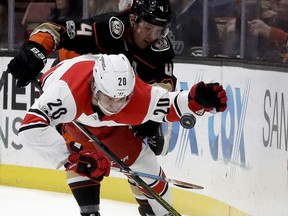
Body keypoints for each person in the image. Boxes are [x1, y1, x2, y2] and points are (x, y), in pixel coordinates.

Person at [6, 0, 178, 215]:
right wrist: (36, 48)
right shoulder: (109, 28)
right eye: (148, 27)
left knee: (135, 152)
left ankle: (148, 208)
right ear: (133, 20)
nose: (153, 35)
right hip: (81, 89)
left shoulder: (160, 46)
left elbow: (164, 84)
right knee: (81, 148)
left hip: (123, 99)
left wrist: (152, 117)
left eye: (160, 29)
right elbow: (55, 29)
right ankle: (89, 210)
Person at [19, 53, 227, 215]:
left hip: (109, 123)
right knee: (84, 158)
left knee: (145, 163)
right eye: (109, 98)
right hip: (77, 116)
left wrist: (199, 103)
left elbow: (173, 105)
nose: (115, 106)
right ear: (94, 86)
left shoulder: (136, 96)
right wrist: (71, 159)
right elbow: (30, 128)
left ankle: (162, 213)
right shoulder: (67, 93)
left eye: (122, 100)